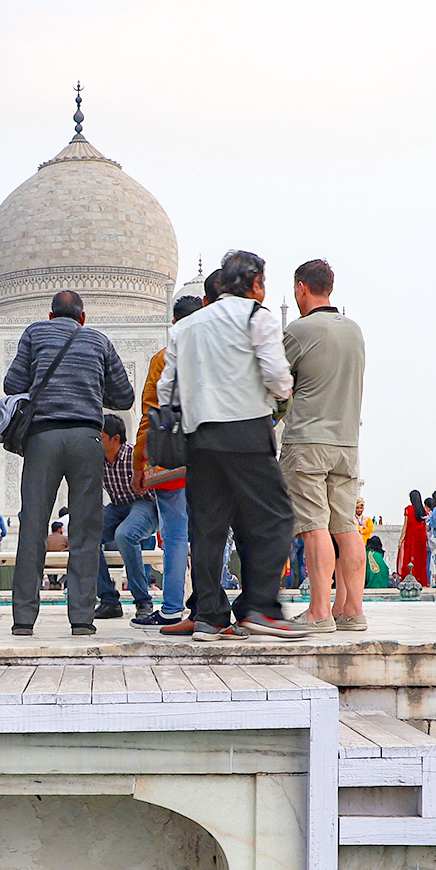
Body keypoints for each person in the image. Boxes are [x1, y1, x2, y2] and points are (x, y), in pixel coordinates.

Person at [158, 250, 304, 640]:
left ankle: (209, 615)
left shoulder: (187, 327)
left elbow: (164, 387)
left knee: (207, 528)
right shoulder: (257, 317)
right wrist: (279, 390)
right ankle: (260, 607)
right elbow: (278, 378)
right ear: (255, 283)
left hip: (199, 437)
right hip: (245, 433)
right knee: (274, 519)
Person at [6, 289, 133, 637]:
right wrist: (90, 388)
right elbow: (124, 396)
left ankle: (23, 620)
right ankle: (81, 618)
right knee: (87, 531)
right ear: (83, 318)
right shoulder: (98, 341)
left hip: (42, 439)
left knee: (32, 526)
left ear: (50, 316)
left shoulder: (34, 333)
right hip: (86, 439)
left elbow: (12, 384)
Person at [278, 259, 367, 630]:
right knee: (346, 526)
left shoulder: (299, 331)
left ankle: (318, 611)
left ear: (301, 288)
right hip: (346, 443)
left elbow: (274, 384)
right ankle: (351, 610)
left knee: (314, 526)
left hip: (308, 443)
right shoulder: (354, 330)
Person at [133, 294, 203, 628]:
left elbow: (149, 416)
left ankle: (173, 608)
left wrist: (138, 464)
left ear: (173, 322)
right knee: (210, 534)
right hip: (211, 458)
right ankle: (205, 607)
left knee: (175, 536)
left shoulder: (163, 358)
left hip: (172, 461)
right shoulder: (216, 357)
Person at [93, 414, 152, 620]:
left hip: (145, 504)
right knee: (88, 537)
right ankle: (109, 600)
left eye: (100, 437)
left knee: (125, 535)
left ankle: (143, 600)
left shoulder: (133, 456)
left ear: (115, 439)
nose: (96, 441)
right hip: (118, 506)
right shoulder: (97, 460)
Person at [396, 490, 429, 587]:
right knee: (420, 561)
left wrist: (401, 539)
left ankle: (409, 579)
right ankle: (421, 581)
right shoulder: (424, 511)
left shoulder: (408, 509)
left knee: (409, 559)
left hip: (411, 538)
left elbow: (405, 526)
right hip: (421, 539)